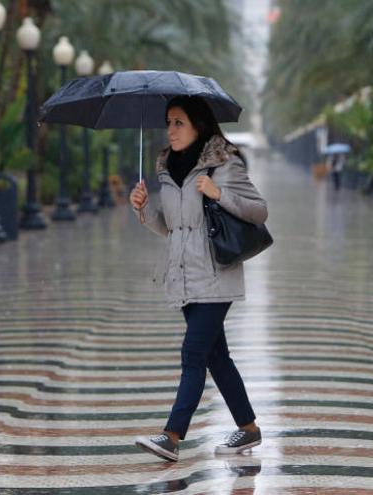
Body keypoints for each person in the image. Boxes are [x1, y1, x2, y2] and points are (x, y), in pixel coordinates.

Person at [129, 95, 267, 462]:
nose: (170, 130)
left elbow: (259, 210)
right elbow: (172, 228)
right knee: (216, 357)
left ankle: (172, 436)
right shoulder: (166, 168)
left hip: (215, 274)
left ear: (198, 126)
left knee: (193, 353)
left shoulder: (224, 164)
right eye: (168, 122)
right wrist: (144, 211)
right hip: (183, 276)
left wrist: (218, 193)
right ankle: (249, 429)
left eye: (178, 122)